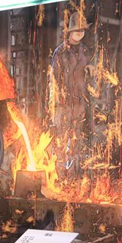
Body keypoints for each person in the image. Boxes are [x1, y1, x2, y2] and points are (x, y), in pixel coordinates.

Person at [50, 10, 93, 174]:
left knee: (76, 138)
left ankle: (74, 174)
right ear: (70, 31)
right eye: (77, 30)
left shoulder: (85, 51)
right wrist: (58, 99)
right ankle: (59, 174)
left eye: (82, 30)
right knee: (61, 138)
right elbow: (54, 78)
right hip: (63, 103)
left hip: (79, 102)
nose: (80, 33)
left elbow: (89, 76)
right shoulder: (60, 52)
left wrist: (91, 70)